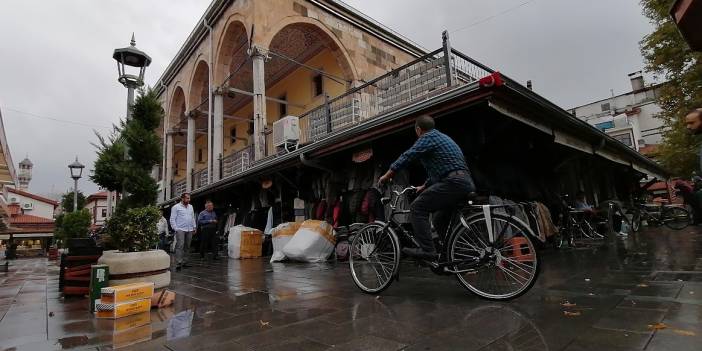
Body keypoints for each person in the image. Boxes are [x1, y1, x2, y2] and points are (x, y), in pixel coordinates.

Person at [378, 115, 475, 259]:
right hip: (464, 181)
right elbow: (442, 170)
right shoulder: (443, 138)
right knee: (438, 219)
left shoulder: (427, 137)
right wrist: (424, 186)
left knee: (417, 208)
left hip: (453, 182)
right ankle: (452, 254)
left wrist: (387, 175)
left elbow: (407, 156)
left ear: (418, 129)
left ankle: (428, 250)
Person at [170, 193, 196, 271]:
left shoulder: (191, 206)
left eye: (189, 198)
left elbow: (192, 217)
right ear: (182, 198)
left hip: (189, 229)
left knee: (187, 246)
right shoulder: (176, 207)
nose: (189, 200)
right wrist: (176, 229)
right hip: (180, 229)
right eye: (187, 198)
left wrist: (194, 226)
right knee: (180, 245)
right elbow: (172, 219)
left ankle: (185, 262)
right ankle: (178, 262)